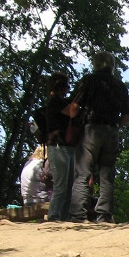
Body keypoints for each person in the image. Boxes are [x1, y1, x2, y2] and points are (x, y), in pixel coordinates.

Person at [67, 51, 129, 224]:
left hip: (90, 129)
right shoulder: (120, 85)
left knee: (82, 173)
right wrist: (115, 126)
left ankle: (78, 215)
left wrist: (76, 121)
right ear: (112, 66)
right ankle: (104, 215)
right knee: (107, 175)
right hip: (111, 131)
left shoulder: (88, 81)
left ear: (95, 64)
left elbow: (74, 107)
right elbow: (127, 116)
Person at [43, 73, 74, 221]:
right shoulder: (56, 102)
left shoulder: (57, 101)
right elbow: (73, 112)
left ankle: (62, 216)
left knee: (68, 186)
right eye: (67, 86)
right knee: (62, 185)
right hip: (58, 146)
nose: (68, 89)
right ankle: (54, 215)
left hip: (64, 146)